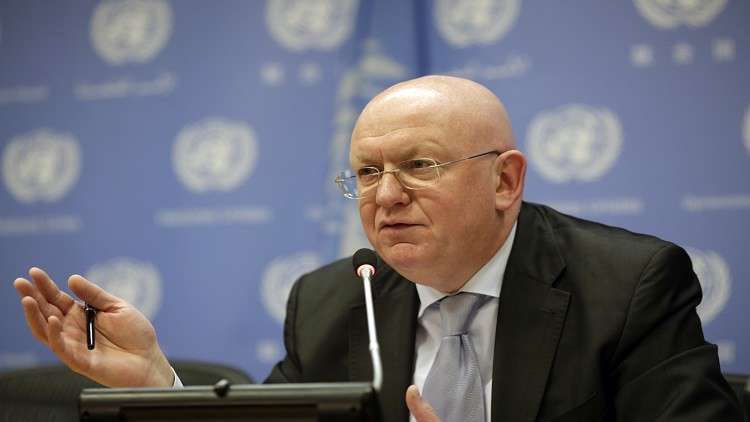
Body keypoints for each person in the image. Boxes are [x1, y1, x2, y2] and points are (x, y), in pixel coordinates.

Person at [14, 76, 743, 421]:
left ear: (505, 180)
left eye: (419, 166)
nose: (386, 195)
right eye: (366, 173)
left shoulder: (629, 284)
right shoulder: (332, 299)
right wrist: (157, 384)